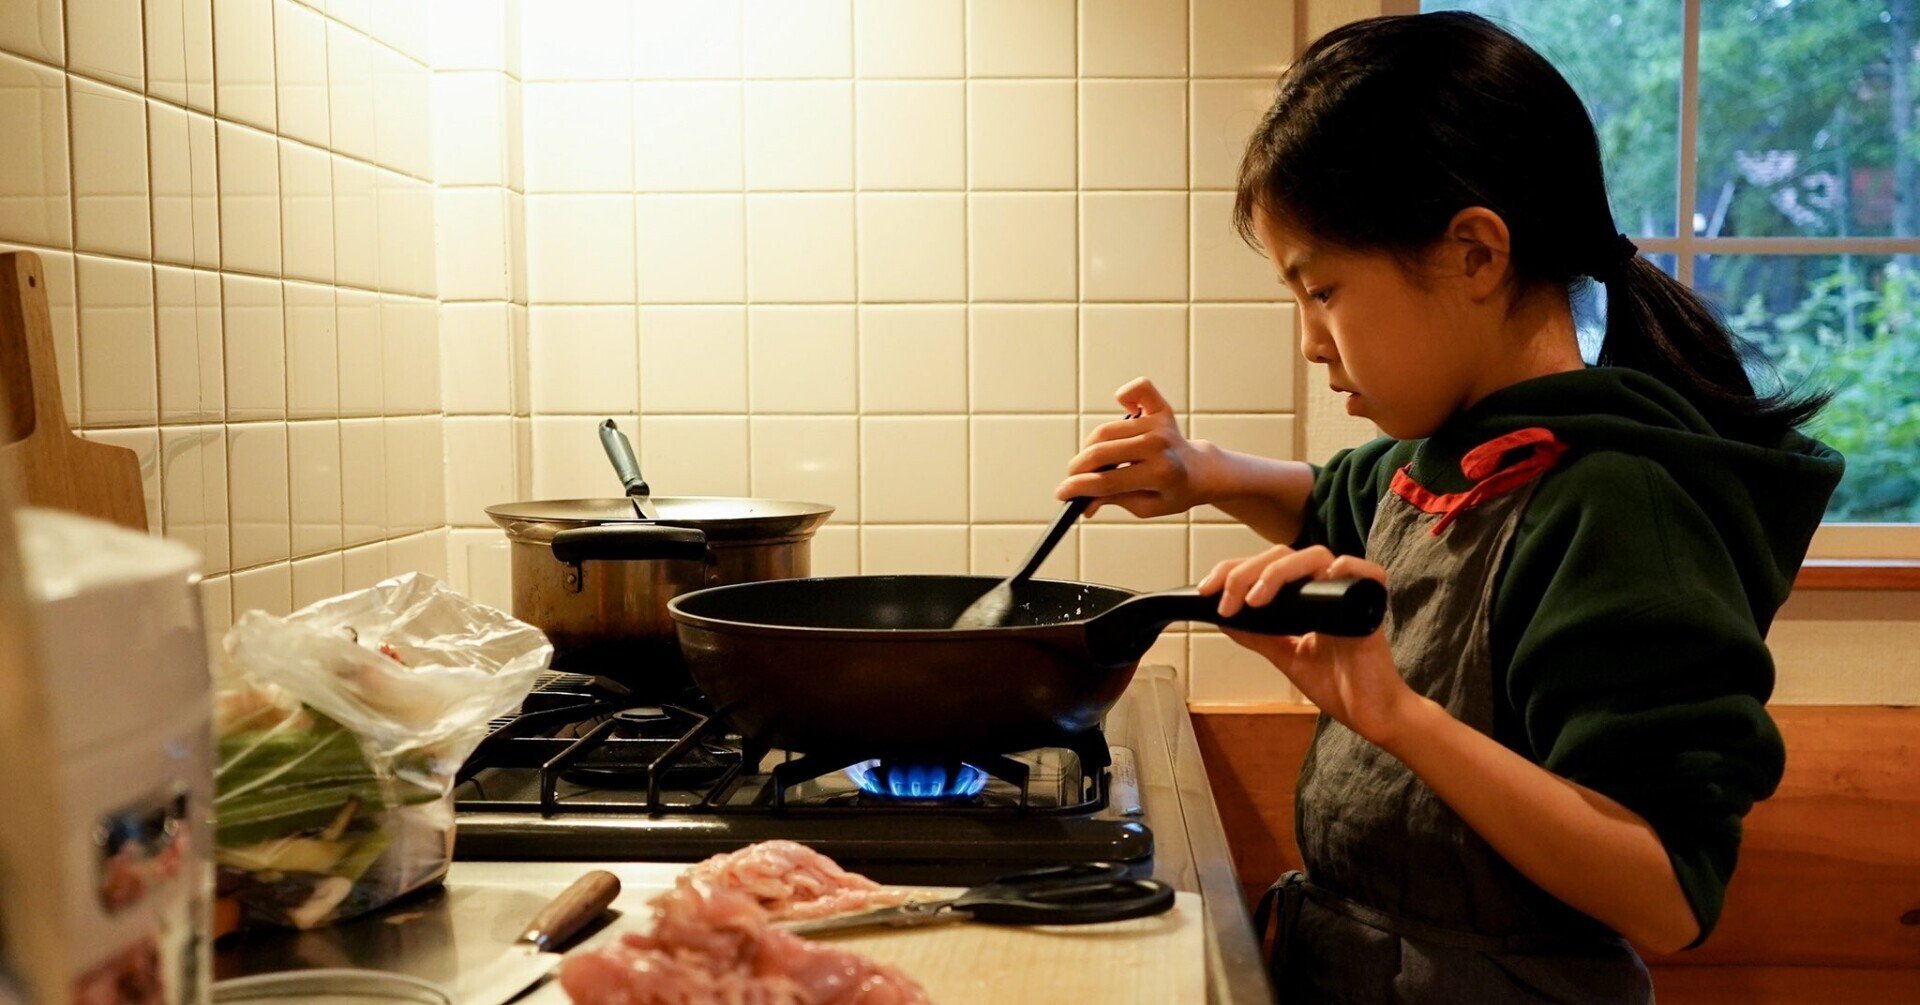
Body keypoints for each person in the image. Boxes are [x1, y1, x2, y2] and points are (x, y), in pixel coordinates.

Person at [1058, 12, 1842, 1003]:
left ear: (1475, 254)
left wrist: (1396, 716)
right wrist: (1201, 468)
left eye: (1324, 290)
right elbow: (1341, 498)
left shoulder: (1614, 503)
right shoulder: (1455, 456)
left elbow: (1665, 897)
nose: (1312, 342)